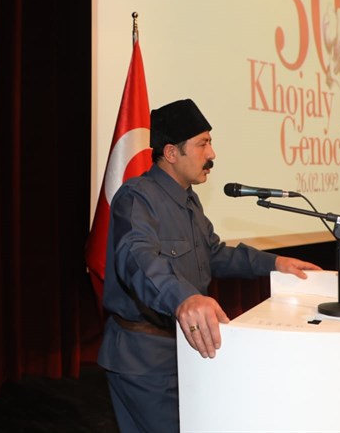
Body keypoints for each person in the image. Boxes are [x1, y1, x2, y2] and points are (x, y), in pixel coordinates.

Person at [98, 98, 322, 432]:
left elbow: (213, 253)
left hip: (185, 347)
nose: (212, 154)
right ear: (171, 153)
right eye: (203, 144)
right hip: (144, 359)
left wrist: (275, 263)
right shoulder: (137, 197)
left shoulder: (189, 199)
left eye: (210, 142)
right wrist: (183, 298)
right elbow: (137, 258)